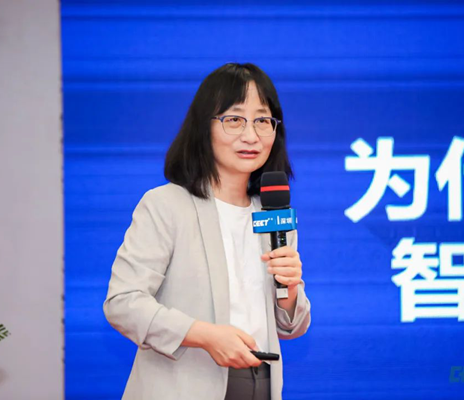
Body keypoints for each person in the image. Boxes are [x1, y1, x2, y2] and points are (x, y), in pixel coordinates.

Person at [103, 63, 312, 400]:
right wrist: (204, 335)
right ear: (204, 126)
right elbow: (123, 303)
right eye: (234, 119)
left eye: (262, 120)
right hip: (184, 386)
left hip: (262, 382)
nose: (251, 135)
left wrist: (289, 289)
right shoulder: (166, 205)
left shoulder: (274, 214)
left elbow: (292, 326)